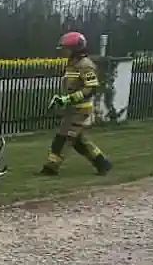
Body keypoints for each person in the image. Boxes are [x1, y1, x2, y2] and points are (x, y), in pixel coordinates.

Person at [41, 31, 113, 176]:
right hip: (72, 108)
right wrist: (61, 98)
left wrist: (69, 99)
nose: (62, 52)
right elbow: (72, 86)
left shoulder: (86, 65)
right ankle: (102, 163)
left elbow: (91, 88)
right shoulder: (71, 65)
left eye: (65, 49)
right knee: (77, 141)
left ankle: (50, 168)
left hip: (80, 109)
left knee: (62, 138)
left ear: (75, 50)